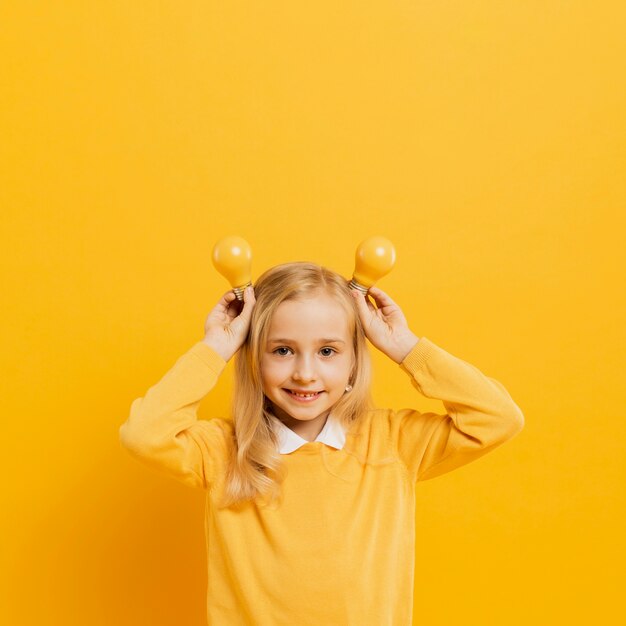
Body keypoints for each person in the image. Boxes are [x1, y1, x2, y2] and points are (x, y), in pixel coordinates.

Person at [119, 262, 524, 626]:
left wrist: (405, 348)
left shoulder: (393, 443)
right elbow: (144, 434)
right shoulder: (224, 450)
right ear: (253, 360)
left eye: (327, 351)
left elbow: (498, 418)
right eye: (282, 350)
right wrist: (217, 348)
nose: (305, 373)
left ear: (354, 362)